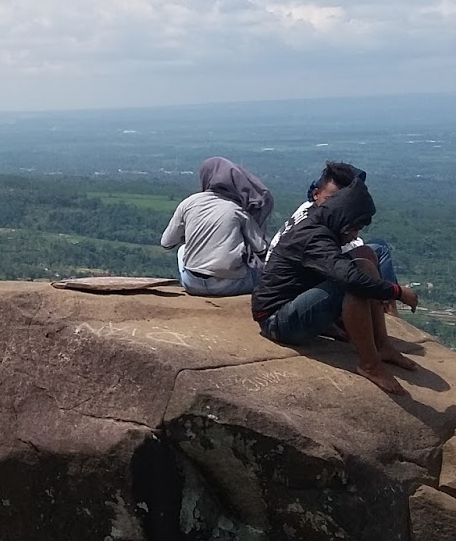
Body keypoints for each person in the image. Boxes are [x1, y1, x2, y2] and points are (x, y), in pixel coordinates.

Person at [252, 178, 421, 395]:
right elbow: (350, 279)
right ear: (345, 221)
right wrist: (397, 292)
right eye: (355, 229)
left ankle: (382, 345)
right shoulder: (314, 236)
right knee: (355, 282)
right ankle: (370, 364)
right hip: (277, 320)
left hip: (295, 303)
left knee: (366, 258)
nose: (355, 235)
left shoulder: (321, 221)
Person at [269, 161, 400, 307]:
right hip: (291, 288)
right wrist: (396, 291)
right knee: (366, 261)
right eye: (331, 199)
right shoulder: (315, 226)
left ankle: (385, 308)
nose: (336, 204)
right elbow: (344, 267)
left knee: (371, 252)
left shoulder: (312, 212)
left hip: (292, 273)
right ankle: (389, 310)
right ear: (316, 194)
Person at [160, 157, 275, 297]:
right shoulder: (236, 210)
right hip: (230, 285)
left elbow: (166, 243)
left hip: (192, 284)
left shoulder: (188, 204)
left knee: (183, 249)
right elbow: (262, 248)